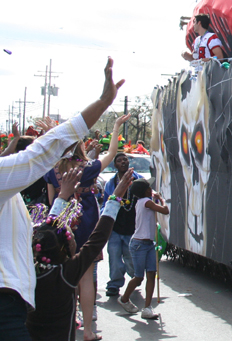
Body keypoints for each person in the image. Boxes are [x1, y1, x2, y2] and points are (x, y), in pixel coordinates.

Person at [0, 57, 124, 341]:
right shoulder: (82, 168)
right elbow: (39, 154)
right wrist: (103, 103)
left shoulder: (53, 175)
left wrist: (63, 198)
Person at [44, 113, 130, 339]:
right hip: (88, 219)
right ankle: (89, 331)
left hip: (62, 221)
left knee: (66, 275)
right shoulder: (88, 167)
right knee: (85, 277)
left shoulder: (52, 169)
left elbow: (52, 199)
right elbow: (112, 153)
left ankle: (70, 325)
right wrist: (116, 128)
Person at [27, 167, 134, 341]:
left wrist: (62, 196)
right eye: (71, 237)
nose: (75, 241)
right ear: (65, 248)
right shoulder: (66, 272)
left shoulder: (29, 271)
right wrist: (114, 198)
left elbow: (46, 235)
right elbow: (98, 238)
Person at [118, 178, 169, 320]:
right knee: (139, 277)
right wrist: (161, 198)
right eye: (149, 188)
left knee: (151, 274)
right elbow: (165, 210)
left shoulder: (144, 202)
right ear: (145, 191)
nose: (151, 190)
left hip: (149, 244)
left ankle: (147, 308)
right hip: (139, 244)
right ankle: (124, 299)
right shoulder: (146, 202)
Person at [102, 154, 142, 298]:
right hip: (115, 227)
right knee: (114, 256)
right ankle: (114, 284)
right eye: (119, 160)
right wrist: (103, 220)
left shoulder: (138, 180)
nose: (123, 162)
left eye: (125, 159)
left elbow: (146, 200)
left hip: (132, 227)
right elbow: (106, 203)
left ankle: (134, 278)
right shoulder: (111, 184)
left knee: (131, 258)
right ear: (115, 166)